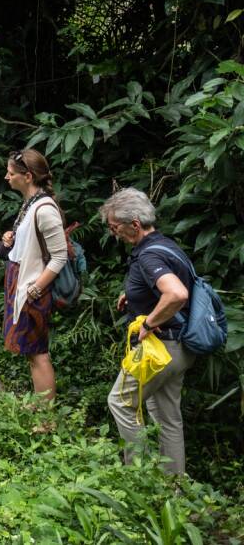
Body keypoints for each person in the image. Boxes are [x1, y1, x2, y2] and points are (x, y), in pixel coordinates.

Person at [100, 187, 194, 475]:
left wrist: (148, 322)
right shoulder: (166, 245)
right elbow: (170, 285)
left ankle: (141, 479)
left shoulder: (149, 257)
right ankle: (173, 489)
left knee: (120, 403)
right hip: (181, 348)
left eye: (115, 228)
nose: (114, 233)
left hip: (159, 350)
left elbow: (176, 294)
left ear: (135, 225)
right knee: (168, 419)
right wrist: (134, 295)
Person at [0, 149, 67, 403]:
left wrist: (35, 289)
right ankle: (41, 409)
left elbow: (59, 257)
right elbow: (33, 243)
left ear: (27, 176)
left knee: (38, 353)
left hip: (32, 286)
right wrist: (12, 238)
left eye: (11, 173)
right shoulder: (30, 203)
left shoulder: (45, 209)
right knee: (30, 352)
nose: (7, 177)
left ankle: (46, 420)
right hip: (20, 281)